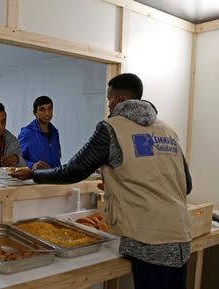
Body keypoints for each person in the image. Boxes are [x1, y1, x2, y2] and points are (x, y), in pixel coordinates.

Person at [10, 73, 192, 289]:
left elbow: (72, 171)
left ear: (120, 100)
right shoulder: (168, 130)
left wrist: (34, 174)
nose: (108, 105)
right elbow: (186, 185)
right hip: (181, 237)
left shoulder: (112, 128)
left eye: (109, 99)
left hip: (149, 241)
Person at [18, 96, 61, 170]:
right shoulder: (27, 133)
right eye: (42, 109)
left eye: (50, 108)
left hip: (55, 179)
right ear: (35, 113)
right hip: (37, 179)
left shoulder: (55, 132)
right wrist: (32, 165)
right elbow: (16, 159)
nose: (47, 113)